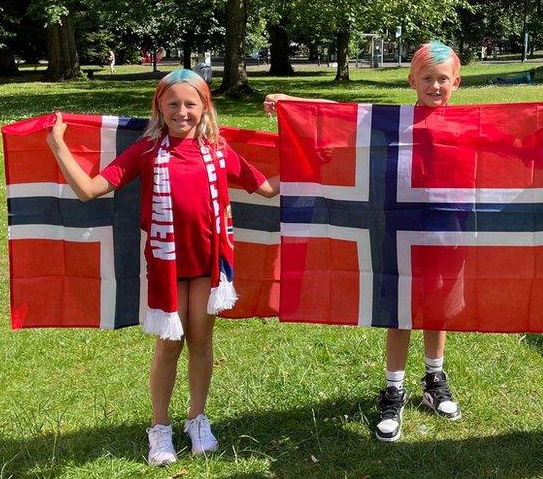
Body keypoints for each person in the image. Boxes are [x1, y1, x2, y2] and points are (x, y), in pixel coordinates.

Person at [47, 69, 279, 466]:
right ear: (159, 107)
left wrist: (300, 141)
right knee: (169, 345)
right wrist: (57, 145)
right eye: (172, 103)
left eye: (190, 103)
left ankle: (197, 419)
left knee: (201, 342)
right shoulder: (147, 151)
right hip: (167, 266)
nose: (182, 111)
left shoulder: (220, 151)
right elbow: (89, 190)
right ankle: (159, 429)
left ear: (205, 106)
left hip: (210, 265)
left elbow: (269, 188)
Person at [263, 41, 465, 442]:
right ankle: (394, 387)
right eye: (427, 78)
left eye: (443, 79)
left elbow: (520, 133)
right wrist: (291, 101)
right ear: (412, 80)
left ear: (456, 83)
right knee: (399, 307)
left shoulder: (467, 124)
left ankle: (434, 376)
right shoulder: (393, 120)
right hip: (398, 226)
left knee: (437, 303)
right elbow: (340, 115)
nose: (435, 86)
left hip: (448, 228)